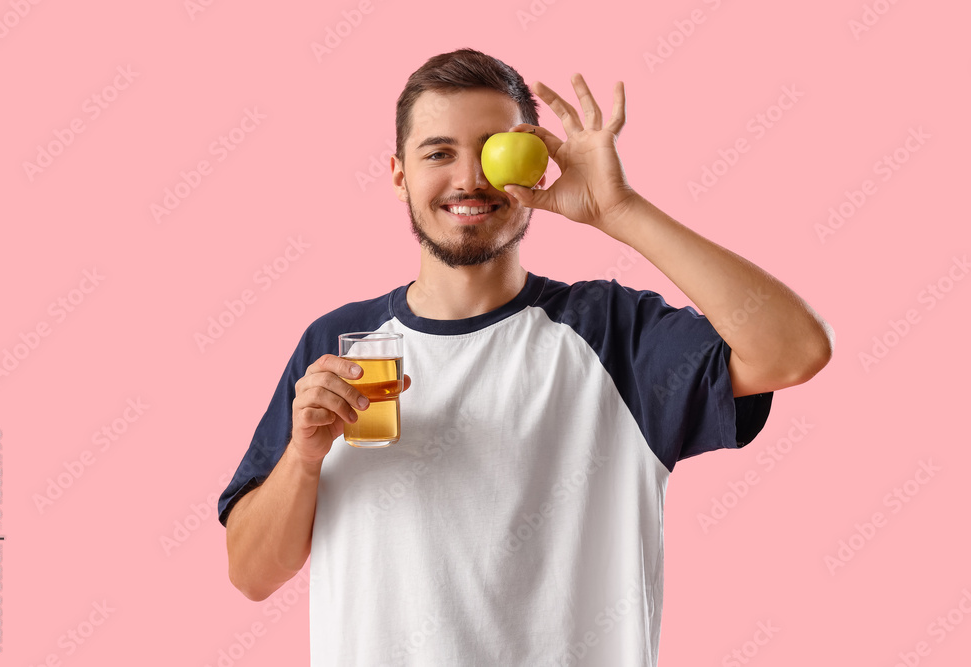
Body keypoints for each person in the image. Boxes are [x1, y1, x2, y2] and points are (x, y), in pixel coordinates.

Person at [218, 48, 834, 666]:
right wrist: (303, 457)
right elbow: (251, 573)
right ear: (399, 173)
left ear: (536, 166)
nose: (468, 180)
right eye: (438, 152)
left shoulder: (614, 334)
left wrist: (621, 211)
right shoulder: (338, 344)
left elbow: (795, 350)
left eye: (491, 149)